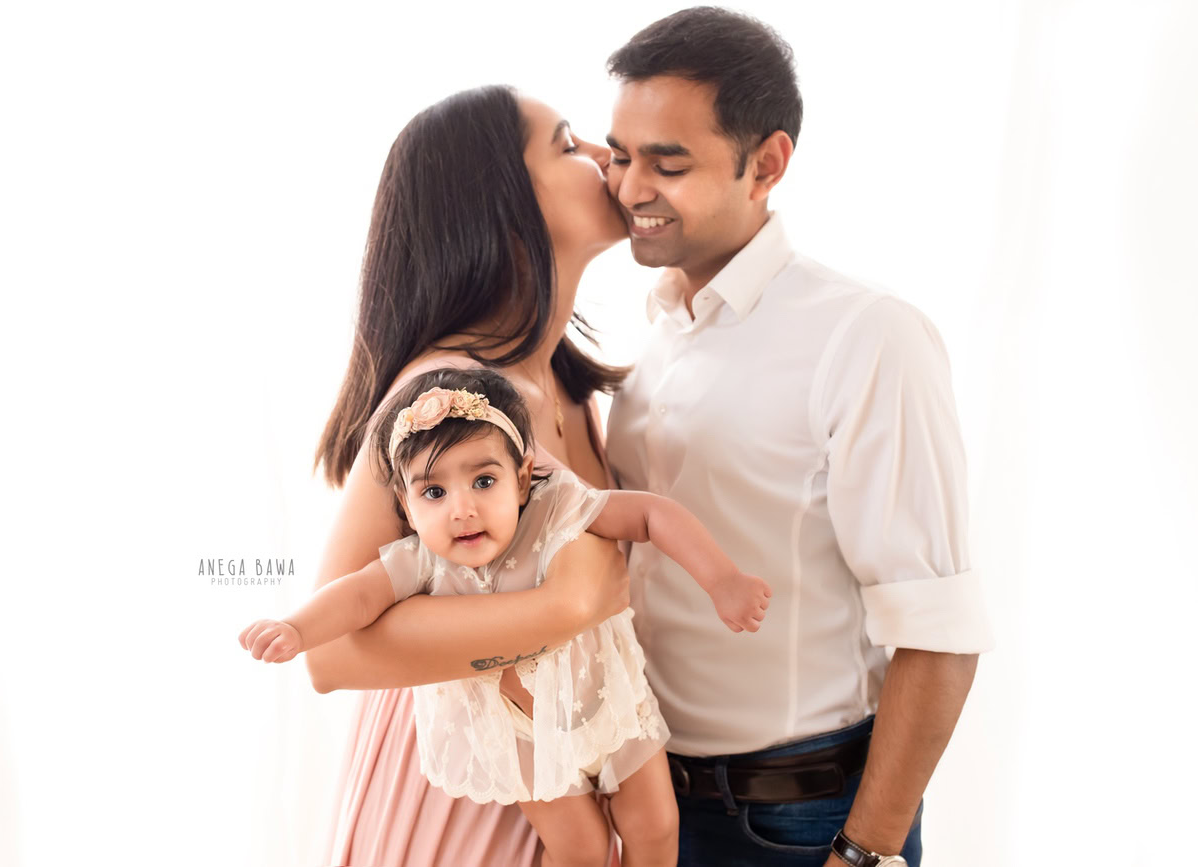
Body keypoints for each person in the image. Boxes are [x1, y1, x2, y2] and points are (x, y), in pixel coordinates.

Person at [602, 9, 996, 866]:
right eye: (620, 154)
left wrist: (866, 853)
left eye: (668, 162)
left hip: (800, 825)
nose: (630, 186)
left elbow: (941, 629)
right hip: (651, 816)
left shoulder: (866, 335)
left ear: (768, 164)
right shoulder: (652, 333)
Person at [307, 85, 643, 866]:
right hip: (459, 791)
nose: (604, 157)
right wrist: (565, 606)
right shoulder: (446, 387)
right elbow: (331, 654)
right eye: (567, 143)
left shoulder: (568, 389)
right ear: (499, 203)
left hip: (556, 772)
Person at [245, 368, 770, 866]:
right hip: (516, 736)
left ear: (521, 480)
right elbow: (355, 597)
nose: (461, 508)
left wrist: (721, 580)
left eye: (483, 481)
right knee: (580, 848)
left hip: (606, 703)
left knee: (654, 825)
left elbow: (651, 513)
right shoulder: (419, 560)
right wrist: (297, 628)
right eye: (434, 492)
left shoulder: (555, 507)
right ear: (407, 509)